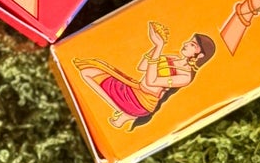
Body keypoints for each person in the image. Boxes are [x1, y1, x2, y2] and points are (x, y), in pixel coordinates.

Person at [75, 21, 216, 129]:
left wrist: (159, 47)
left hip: (141, 102)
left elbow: (151, 81)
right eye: (189, 41)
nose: (186, 43)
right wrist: (155, 46)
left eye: (193, 45)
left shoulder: (185, 77)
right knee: (89, 71)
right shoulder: (172, 58)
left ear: (200, 55)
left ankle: (122, 110)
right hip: (134, 88)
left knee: (87, 73)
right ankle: (123, 112)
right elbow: (142, 67)